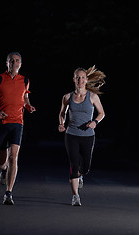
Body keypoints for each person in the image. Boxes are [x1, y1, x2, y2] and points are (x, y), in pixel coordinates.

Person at [0, 52, 36, 205]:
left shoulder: (25, 80)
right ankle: (3, 170)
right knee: (2, 162)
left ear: (21, 63)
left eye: (17, 61)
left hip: (17, 122)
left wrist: (28, 106)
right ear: (7, 63)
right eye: (11, 61)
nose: (14, 63)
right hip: (0, 123)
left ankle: (8, 192)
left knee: (14, 157)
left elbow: (25, 98)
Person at [58, 65, 106, 206]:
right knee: (73, 164)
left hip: (88, 136)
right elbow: (62, 113)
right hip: (71, 134)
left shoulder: (92, 96)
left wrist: (95, 122)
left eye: (83, 77)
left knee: (85, 167)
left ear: (86, 80)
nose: (80, 80)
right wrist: (61, 123)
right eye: (77, 77)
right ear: (74, 79)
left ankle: (80, 176)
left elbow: (102, 113)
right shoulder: (67, 97)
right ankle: (75, 196)